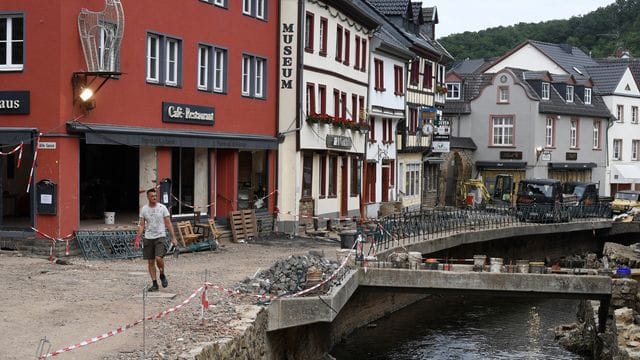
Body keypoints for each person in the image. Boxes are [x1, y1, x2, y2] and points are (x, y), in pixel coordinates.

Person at [135, 188, 178, 292]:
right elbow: (141, 225)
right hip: (148, 237)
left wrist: (173, 237)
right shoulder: (144, 209)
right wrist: (137, 238)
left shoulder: (162, 208)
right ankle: (154, 283)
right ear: (148, 197)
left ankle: (162, 274)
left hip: (160, 236)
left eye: (155, 196)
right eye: (152, 196)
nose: (154, 197)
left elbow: (168, 223)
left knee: (159, 258)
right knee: (150, 262)